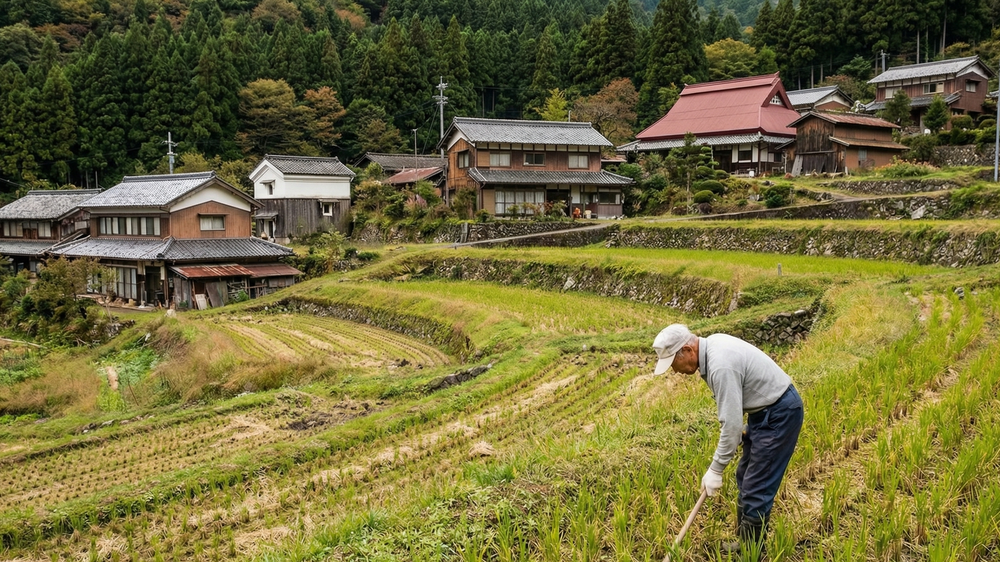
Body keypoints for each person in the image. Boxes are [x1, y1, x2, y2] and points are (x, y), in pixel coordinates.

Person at [653, 324, 803, 557]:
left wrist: (716, 469)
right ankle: (746, 544)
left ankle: (752, 555)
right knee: (745, 476)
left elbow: (730, 424)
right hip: (763, 413)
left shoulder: (720, 365)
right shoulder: (712, 348)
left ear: (688, 350)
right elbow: (736, 405)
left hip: (779, 414)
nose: (674, 371)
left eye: (673, 363)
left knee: (757, 485)